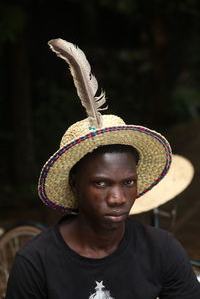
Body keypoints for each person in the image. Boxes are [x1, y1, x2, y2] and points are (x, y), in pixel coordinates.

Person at [6, 39, 200, 298]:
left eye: (128, 182)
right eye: (101, 183)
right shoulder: (36, 262)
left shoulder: (162, 250)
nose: (118, 198)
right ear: (74, 184)